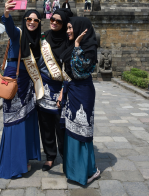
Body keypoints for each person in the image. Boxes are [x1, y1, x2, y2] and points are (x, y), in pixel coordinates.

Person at [0, 0, 41, 179]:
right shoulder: (18, 34)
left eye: (35, 20)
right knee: (15, 121)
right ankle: (14, 163)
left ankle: (25, 159)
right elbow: (10, 28)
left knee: (27, 120)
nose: (32, 22)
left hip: (28, 83)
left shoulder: (37, 40)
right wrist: (6, 14)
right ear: (24, 20)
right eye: (29, 18)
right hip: (14, 80)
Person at [58, 16, 100, 186]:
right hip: (72, 91)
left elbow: (79, 71)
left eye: (70, 28)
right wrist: (62, 91)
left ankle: (88, 171)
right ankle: (73, 169)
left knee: (82, 131)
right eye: (67, 28)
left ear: (82, 29)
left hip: (83, 92)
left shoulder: (89, 48)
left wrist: (77, 46)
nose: (68, 31)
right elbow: (67, 74)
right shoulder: (69, 46)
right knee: (71, 130)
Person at [37, 8, 73, 171]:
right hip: (44, 89)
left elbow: (70, 69)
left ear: (64, 24)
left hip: (61, 89)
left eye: (58, 21)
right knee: (45, 125)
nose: (54, 23)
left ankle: (65, 156)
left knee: (62, 126)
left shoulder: (68, 41)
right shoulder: (43, 38)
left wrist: (63, 91)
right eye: (52, 19)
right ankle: (50, 156)